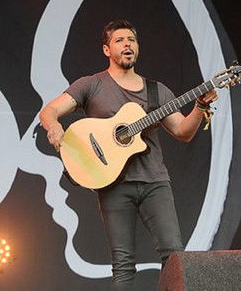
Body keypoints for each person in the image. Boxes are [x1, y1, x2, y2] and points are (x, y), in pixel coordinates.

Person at [38, 20, 217, 290]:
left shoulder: (157, 91)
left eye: (131, 40)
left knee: (175, 255)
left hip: (154, 181)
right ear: (107, 50)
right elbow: (49, 111)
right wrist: (53, 127)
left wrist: (200, 107)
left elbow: (183, 132)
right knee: (123, 263)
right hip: (113, 184)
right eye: (120, 40)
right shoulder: (92, 85)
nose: (127, 44)